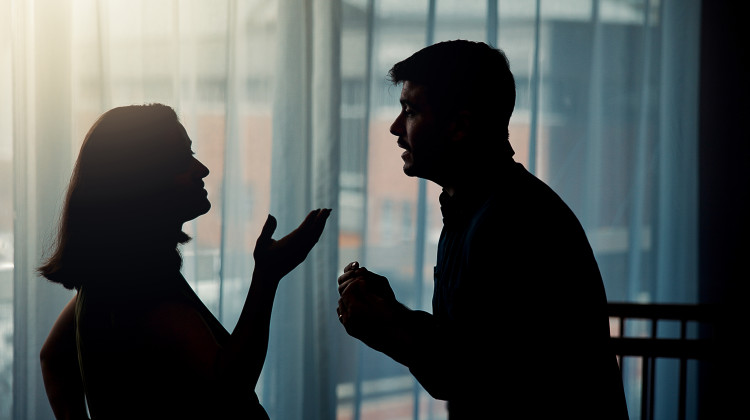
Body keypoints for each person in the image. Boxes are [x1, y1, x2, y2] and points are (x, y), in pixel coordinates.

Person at [336, 40, 628, 419]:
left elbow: (471, 376)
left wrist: (388, 325)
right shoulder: (477, 208)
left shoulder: (512, 223)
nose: (394, 127)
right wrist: (392, 315)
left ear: (459, 126)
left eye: (410, 111)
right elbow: (467, 348)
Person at [38, 103, 331, 419]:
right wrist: (267, 277)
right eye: (181, 159)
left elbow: (53, 358)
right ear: (141, 181)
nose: (202, 169)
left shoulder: (111, 277)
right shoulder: (139, 287)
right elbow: (229, 387)